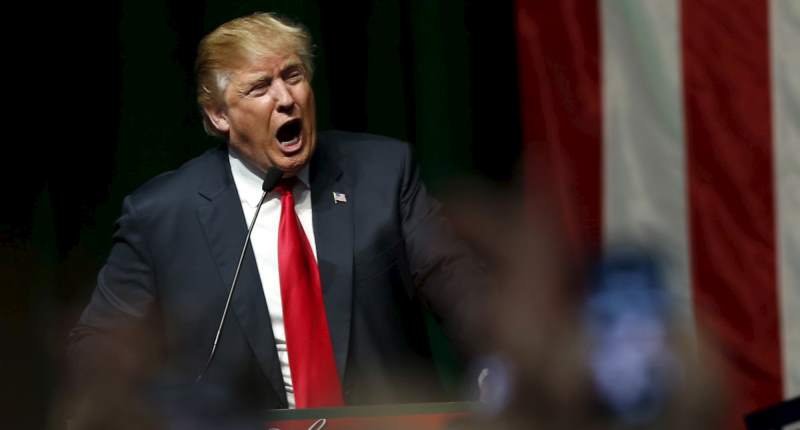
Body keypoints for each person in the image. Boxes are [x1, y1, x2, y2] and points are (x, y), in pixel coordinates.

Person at [68, 12, 484, 419]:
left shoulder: (384, 173)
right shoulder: (161, 215)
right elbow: (98, 347)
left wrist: (498, 371)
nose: (286, 99)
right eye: (260, 87)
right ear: (219, 116)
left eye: (293, 76)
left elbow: (463, 291)